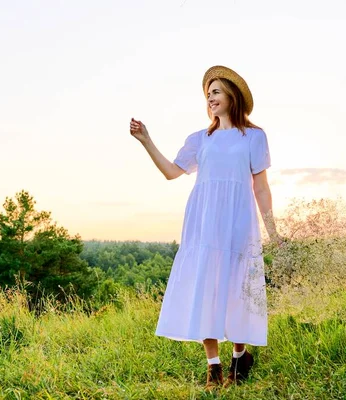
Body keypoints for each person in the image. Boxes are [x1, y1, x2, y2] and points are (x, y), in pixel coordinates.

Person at [129, 65, 281, 390]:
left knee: (237, 289)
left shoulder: (254, 136)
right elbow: (172, 171)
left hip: (239, 221)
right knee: (206, 288)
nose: (210, 98)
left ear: (231, 95)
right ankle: (214, 368)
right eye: (207, 94)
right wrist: (146, 140)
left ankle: (240, 356)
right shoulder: (201, 139)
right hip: (204, 223)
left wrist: (273, 231)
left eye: (215, 92)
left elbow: (262, 188)